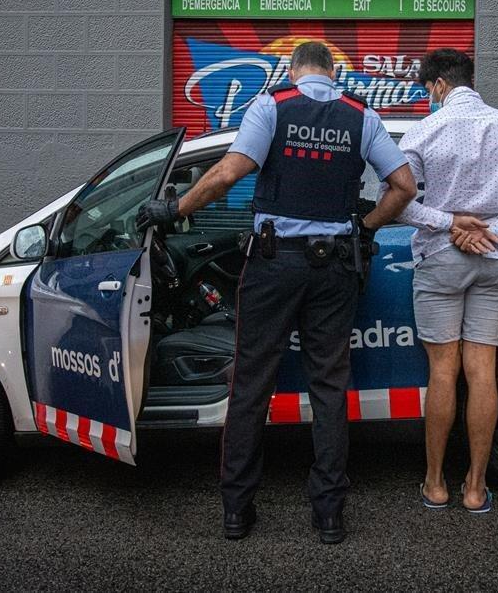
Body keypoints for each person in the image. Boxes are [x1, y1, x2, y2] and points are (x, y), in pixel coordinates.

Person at [138, 41, 416, 544]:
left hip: (273, 264)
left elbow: (228, 172)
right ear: (332, 73)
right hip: (334, 267)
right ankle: (329, 515)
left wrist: (173, 210)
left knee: (250, 386)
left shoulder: (271, 104)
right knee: (329, 390)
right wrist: (366, 226)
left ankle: (237, 512)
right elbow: (403, 185)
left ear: (294, 69)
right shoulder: (362, 115)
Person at [392, 48, 498, 513]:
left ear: (438, 86)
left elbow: (400, 203)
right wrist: (493, 229)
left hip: (441, 258)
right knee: (482, 371)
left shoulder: (424, 130)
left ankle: (435, 484)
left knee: (443, 371)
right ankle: (476, 488)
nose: (430, 97)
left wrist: (451, 224)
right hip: (493, 259)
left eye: (428, 90)